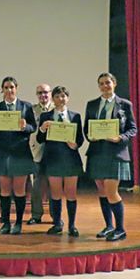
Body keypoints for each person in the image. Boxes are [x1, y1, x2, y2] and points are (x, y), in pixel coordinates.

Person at [84, 72, 138, 242]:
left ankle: (120, 229)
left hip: (116, 153)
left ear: (114, 84)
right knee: (101, 190)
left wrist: (120, 138)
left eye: (108, 82)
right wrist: (90, 135)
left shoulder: (125, 104)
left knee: (111, 190)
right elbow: (87, 128)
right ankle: (109, 226)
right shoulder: (92, 105)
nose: (105, 86)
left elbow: (132, 129)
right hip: (97, 152)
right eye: (101, 83)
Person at [0, 76, 37, 235]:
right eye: (6, 87)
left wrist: (25, 127)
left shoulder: (26, 106)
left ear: (17, 88)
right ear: (2, 90)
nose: (9, 90)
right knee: (4, 190)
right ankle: (5, 222)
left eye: (12, 87)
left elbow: (33, 128)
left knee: (19, 190)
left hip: (20, 153)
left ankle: (18, 223)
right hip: (2, 153)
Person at [36, 86, 84, 236]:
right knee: (55, 194)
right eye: (57, 96)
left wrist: (75, 145)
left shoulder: (75, 116)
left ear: (67, 98)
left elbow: (80, 139)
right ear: (53, 98)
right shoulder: (45, 116)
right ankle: (57, 224)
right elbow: (39, 139)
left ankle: (72, 225)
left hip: (70, 160)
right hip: (53, 160)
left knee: (71, 194)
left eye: (63, 96)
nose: (60, 99)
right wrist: (42, 129)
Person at [28, 83, 54, 225]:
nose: (43, 95)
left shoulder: (57, 109)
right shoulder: (31, 110)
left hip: (54, 154)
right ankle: (36, 215)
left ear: (50, 93)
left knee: (54, 187)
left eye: (45, 92)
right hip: (36, 151)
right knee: (36, 186)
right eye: (39, 93)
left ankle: (56, 216)